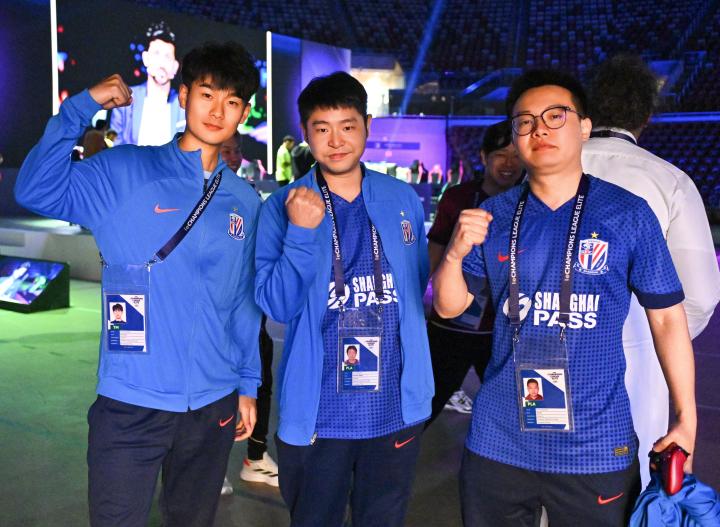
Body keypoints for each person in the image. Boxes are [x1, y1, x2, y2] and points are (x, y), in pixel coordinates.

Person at [433, 69, 697, 527]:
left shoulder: (628, 214)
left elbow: (668, 319)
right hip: (499, 441)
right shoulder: (493, 214)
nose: (539, 129)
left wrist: (685, 419)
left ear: (585, 127)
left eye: (556, 116)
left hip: (595, 445)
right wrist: (454, 255)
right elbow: (450, 307)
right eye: (525, 121)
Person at [15, 41, 263, 527]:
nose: (218, 111)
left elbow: (241, 301)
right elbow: (35, 188)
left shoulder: (244, 202)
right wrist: (81, 107)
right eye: (207, 95)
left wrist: (247, 384)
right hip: (131, 403)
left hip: (212, 403)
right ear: (184, 95)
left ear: (244, 112)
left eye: (232, 101)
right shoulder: (126, 170)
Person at [255, 71, 433, 527]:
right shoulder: (281, 206)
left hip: (394, 408)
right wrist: (300, 233)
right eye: (322, 128)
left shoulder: (402, 199)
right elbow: (276, 306)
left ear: (367, 126)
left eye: (347, 126)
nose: (336, 141)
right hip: (320, 411)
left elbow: (415, 287)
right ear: (306, 133)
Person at [582, 54, 720, 487]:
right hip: (636, 363)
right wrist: (659, 337)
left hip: (545, 358)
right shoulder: (669, 181)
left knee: (547, 492)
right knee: (628, 485)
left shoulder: (541, 173)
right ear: (645, 117)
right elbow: (700, 296)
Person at [425, 120, 522, 422]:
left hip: (503, 331)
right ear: (483, 157)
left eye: (516, 155)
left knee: (511, 414)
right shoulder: (458, 198)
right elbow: (434, 253)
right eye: (500, 155)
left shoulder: (530, 202)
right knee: (424, 407)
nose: (509, 164)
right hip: (451, 327)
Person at [218, 131, 279, 495]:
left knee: (260, 383)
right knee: (215, 391)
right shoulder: (188, 195)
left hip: (250, 311)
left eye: (236, 150)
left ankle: (255, 457)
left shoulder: (248, 196)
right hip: (212, 318)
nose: (232, 156)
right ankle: (208, 469)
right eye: (225, 149)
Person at [110, 21, 184, 146]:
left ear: (175, 67)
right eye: (157, 53)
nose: (161, 62)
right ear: (146, 58)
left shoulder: (183, 106)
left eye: (167, 56)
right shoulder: (126, 99)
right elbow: (113, 138)